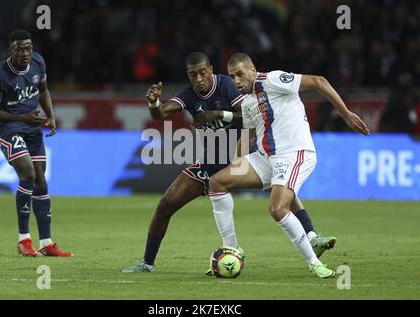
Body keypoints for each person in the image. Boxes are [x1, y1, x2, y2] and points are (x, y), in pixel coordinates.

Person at [122, 52, 336, 273]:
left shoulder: (228, 84)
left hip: (241, 154)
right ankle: (147, 264)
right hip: (211, 161)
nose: (198, 79)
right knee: (166, 204)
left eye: (202, 73)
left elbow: (249, 114)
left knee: (281, 190)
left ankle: (311, 237)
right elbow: (160, 114)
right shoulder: (188, 95)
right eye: (192, 75)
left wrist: (218, 115)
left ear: (211, 70)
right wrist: (154, 101)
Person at [208, 53, 370, 278]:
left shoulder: (272, 80)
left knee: (277, 208)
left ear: (253, 70)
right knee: (217, 182)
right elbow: (249, 136)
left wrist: (345, 113)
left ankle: (315, 264)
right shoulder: (246, 102)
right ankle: (232, 250)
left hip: (294, 154)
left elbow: (318, 81)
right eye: (232, 76)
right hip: (266, 158)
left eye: (240, 74)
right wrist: (236, 163)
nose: (236, 81)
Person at [0, 29, 72, 257]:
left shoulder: (38, 63)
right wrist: (22, 117)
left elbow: (43, 90)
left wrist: (51, 115)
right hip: (8, 127)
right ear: (10, 50)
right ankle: (24, 239)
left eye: (28, 48)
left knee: (41, 180)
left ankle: (46, 243)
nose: (25, 53)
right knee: (28, 173)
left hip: (32, 127)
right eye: (19, 49)